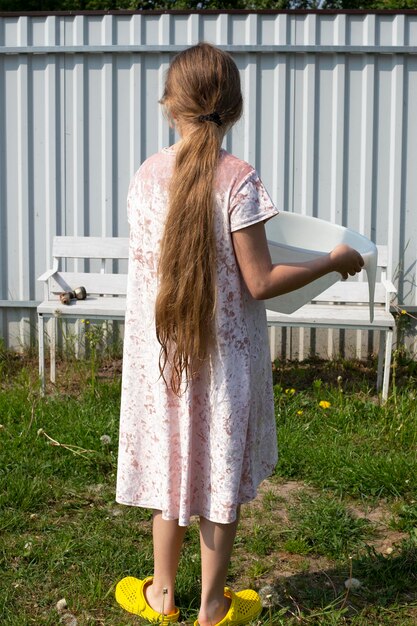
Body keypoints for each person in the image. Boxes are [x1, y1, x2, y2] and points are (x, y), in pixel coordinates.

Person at [115, 42, 364, 626]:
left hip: (166, 355)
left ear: (169, 104)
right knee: (217, 473)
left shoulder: (148, 175)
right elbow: (260, 280)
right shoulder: (238, 179)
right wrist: (333, 261)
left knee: (172, 469)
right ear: (235, 107)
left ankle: (162, 598)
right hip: (224, 361)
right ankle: (211, 607)